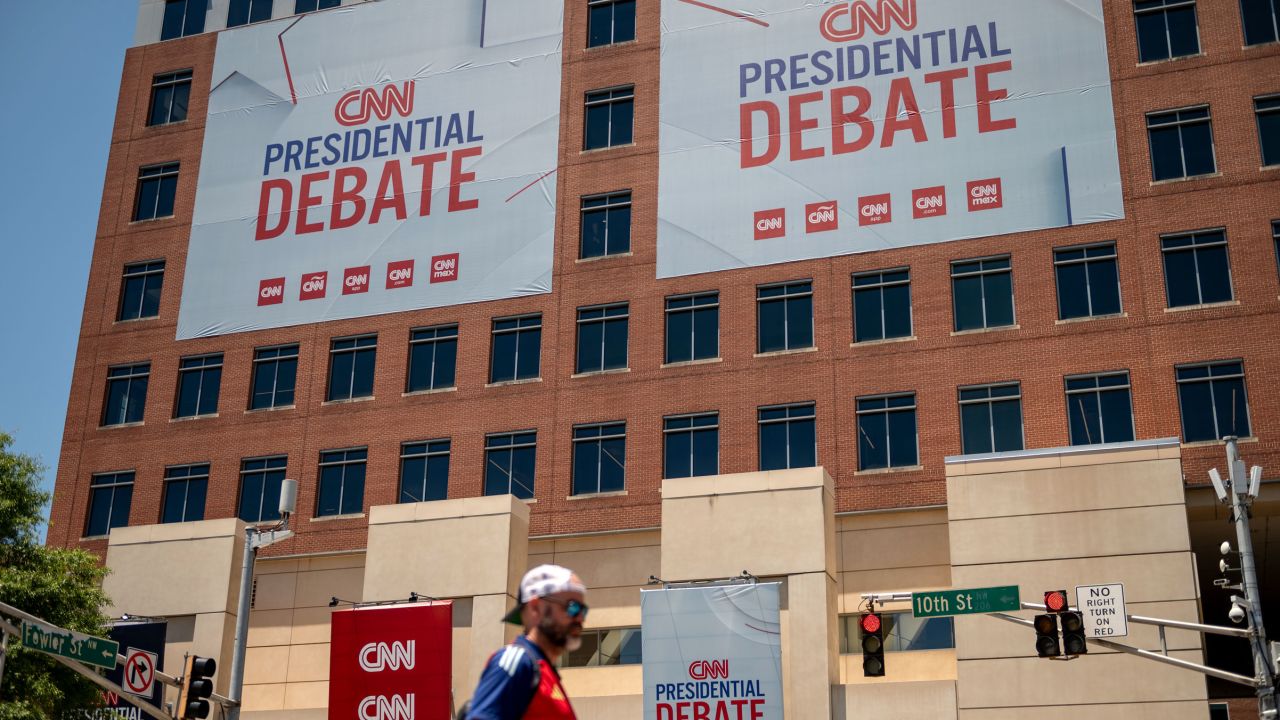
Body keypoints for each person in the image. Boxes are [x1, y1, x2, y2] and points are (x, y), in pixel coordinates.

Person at [464, 564, 587, 719]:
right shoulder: (517, 663)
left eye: (583, 610)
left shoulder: (544, 672)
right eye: (572, 607)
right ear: (535, 607)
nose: (580, 618)